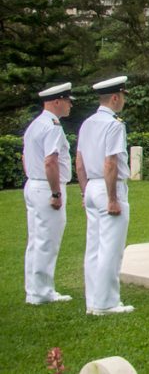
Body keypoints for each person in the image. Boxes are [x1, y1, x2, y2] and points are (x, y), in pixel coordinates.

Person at [76, 76, 134, 315]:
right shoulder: (114, 124)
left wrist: (84, 190)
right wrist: (112, 198)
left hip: (90, 186)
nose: (122, 101)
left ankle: (93, 300)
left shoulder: (87, 123)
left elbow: (79, 162)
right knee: (111, 248)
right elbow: (110, 162)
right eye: (122, 97)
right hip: (108, 187)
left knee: (94, 247)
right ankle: (106, 302)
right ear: (115, 97)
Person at [23, 82, 75, 305]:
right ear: (57, 101)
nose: (70, 106)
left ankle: (34, 290)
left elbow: (26, 157)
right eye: (67, 101)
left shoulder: (35, 124)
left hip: (33, 185)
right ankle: (43, 292)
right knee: (47, 242)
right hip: (47, 187)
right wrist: (55, 193)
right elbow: (51, 160)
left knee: (35, 241)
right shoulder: (52, 126)